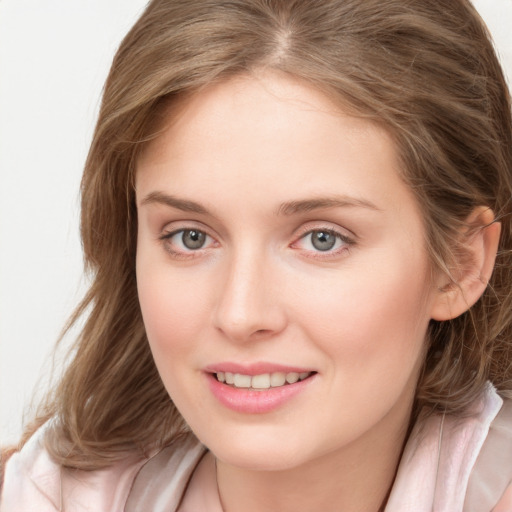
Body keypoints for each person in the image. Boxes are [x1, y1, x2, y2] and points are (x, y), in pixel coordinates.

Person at [1, 0, 512, 510]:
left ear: (459, 266)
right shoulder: (50, 496)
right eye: (190, 237)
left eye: (322, 239)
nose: (240, 314)